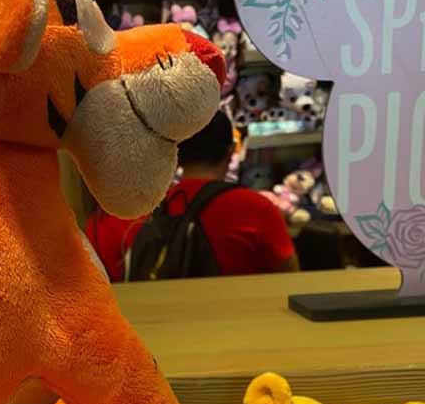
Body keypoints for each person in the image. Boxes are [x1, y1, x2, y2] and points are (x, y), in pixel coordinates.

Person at [86, 110, 298, 281]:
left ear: (176, 154)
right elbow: (290, 282)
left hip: (150, 331)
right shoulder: (257, 209)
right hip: (240, 329)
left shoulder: (120, 216)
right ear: (231, 152)